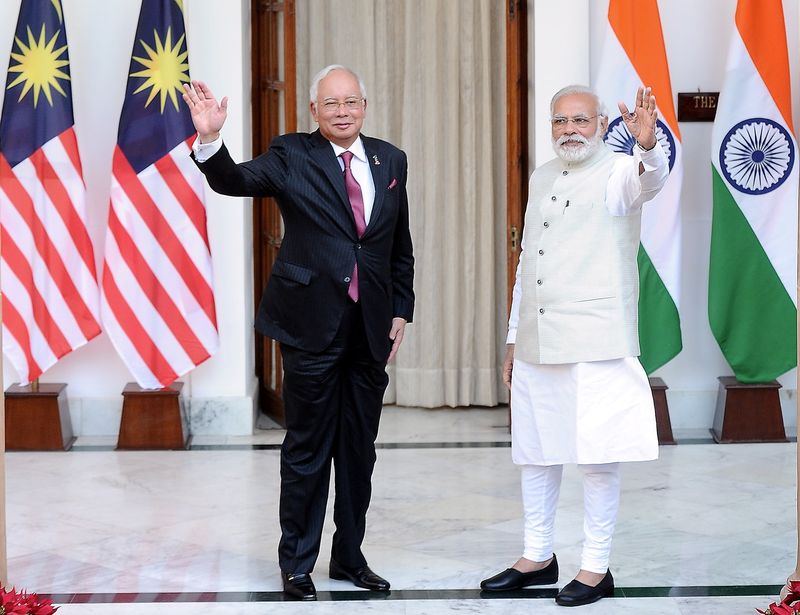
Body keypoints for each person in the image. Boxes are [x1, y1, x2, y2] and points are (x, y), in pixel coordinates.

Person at [182, 65, 414, 601]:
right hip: (310, 324)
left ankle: (350, 558)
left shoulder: (390, 159)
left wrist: (401, 307)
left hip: (370, 329)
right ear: (314, 111)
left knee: (359, 450)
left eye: (350, 102)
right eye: (330, 104)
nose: (341, 111)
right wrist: (211, 137)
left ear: (364, 105)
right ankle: (297, 563)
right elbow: (233, 180)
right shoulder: (291, 155)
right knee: (307, 449)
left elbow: (398, 243)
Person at [480, 84, 668, 607]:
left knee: (596, 455)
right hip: (540, 338)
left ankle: (595, 566)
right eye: (560, 121)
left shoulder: (618, 172)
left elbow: (649, 181)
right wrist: (514, 336)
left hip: (596, 340)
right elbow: (527, 263)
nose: (569, 130)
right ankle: (537, 556)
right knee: (536, 452)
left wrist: (648, 146)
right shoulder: (542, 175)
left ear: (603, 124)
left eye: (581, 120)